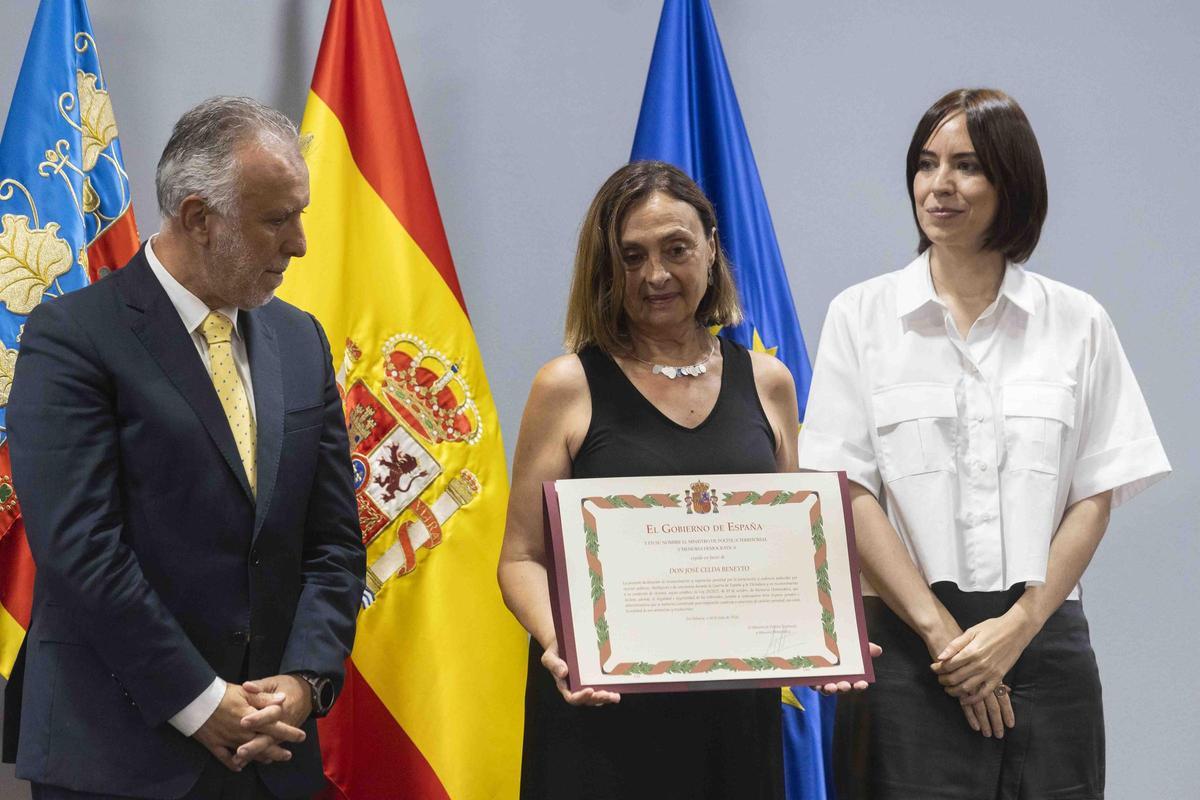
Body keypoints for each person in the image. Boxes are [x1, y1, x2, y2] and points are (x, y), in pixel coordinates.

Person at [799, 88, 1171, 799]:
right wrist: (944, 639)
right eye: (926, 164)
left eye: (966, 166)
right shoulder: (861, 316)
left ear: (1012, 183)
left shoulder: (1077, 322)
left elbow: (1096, 492)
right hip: (909, 647)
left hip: (1043, 641)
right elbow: (848, 490)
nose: (939, 185)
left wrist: (1018, 627)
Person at [6, 97, 366, 800]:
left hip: (273, 753)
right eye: (276, 219)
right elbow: (81, 551)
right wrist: (202, 702)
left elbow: (333, 543)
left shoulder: (300, 340)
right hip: (121, 755)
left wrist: (304, 680)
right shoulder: (72, 337)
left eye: (300, 215)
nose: (299, 243)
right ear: (199, 218)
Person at [498, 160, 875, 800]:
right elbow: (521, 558)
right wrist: (564, 643)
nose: (656, 275)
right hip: (602, 715)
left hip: (734, 722)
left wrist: (819, 639)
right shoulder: (566, 385)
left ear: (711, 250)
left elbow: (788, 551)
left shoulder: (768, 382)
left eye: (676, 249)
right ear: (606, 269)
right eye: (632, 256)